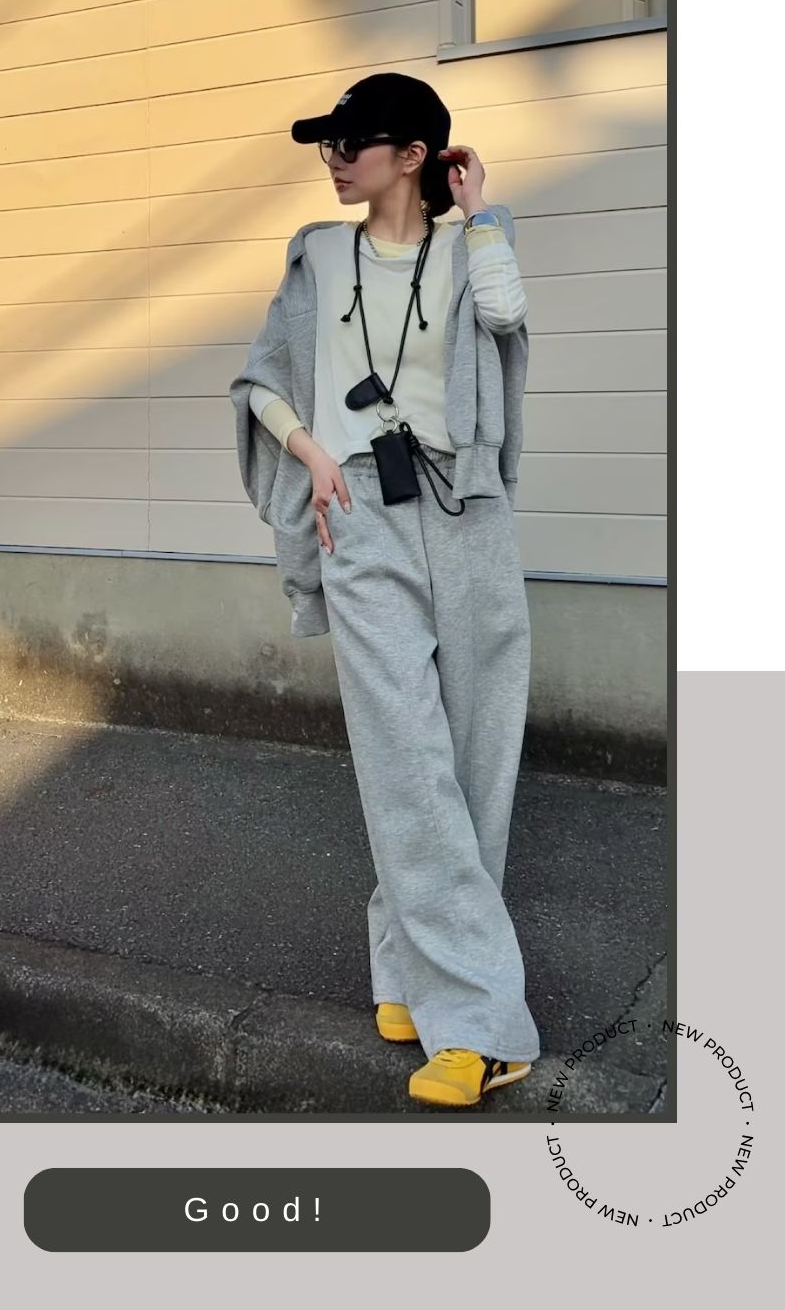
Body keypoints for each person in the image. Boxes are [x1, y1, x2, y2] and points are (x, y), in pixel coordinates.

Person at [229, 73, 538, 1108]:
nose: (334, 159)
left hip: (467, 510)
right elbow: (261, 382)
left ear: (412, 156)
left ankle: (412, 963)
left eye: (353, 143)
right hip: (358, 509)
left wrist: (478, 211)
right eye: (328, 144)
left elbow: (506, 318)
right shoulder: (318, 255)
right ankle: (486, 1027)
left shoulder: (473, 247)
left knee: (475, 753)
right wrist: (313, 455)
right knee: (404, 756)